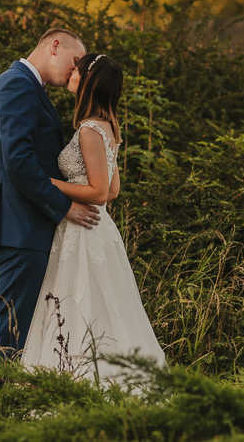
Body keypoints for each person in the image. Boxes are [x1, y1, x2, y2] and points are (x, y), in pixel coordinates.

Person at [21, 52, 167, 385]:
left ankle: (78, 379)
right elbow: (113, 190)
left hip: (83, 227)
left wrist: (48, 184)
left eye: (77, 70)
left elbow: (100, 192)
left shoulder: (89, 130)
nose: (71, 73)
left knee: (77, 301)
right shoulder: (108, 128)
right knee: (102, 303)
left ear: (88, 81)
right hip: (98, 227)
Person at [0, 28, 101, 395]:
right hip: (21, 224)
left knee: (17, 323)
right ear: (55, 46)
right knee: (9, 324)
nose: (75, 70)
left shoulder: (24, 86)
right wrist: (64, 207)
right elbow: (19, 163)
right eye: (76, 62)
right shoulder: (17, 85)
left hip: (24, 223)